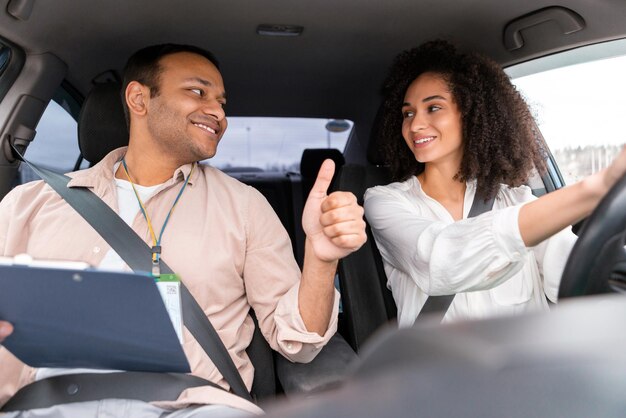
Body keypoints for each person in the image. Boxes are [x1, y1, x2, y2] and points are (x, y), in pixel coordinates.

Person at [0, 44, 366, 416]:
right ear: (139, 99)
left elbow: (297, 343)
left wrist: (320, 260)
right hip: (47, 404)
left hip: (192, 406)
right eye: (198, 92)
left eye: (222, 102)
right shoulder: (31, 203)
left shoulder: (244, 207)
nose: (218, 112)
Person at [363, 40, 626, 327]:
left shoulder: (516, 200)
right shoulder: (386, 202)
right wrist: (593, 190)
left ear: (473, 114)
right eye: (408, 113)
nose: (414, 125)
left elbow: (578, 277)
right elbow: (442, 259)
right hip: (436, 370)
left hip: (533, 368)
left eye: (434, 108)